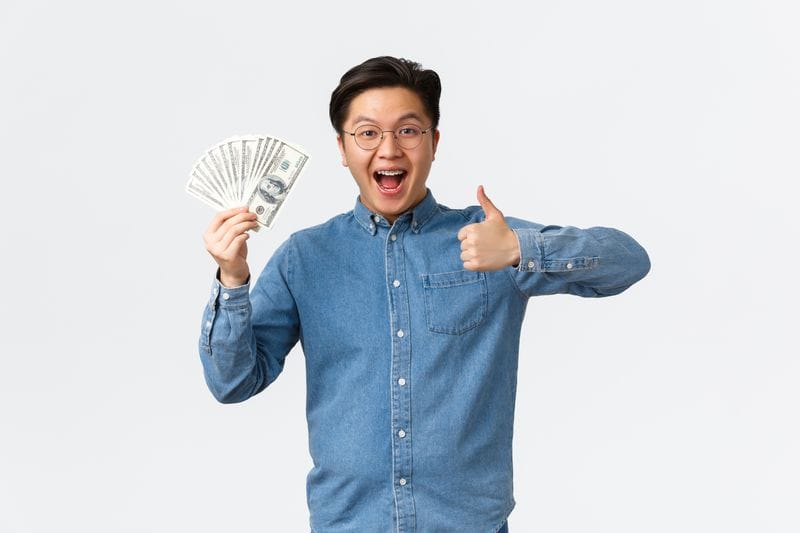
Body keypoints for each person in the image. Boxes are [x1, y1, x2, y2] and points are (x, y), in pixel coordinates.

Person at [199, 56, 650, 532]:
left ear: (434, 142)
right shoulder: (304, 257)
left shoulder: (487, 240)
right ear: (342, 147)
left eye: (408, 131)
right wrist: (232, 280)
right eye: (368, 133)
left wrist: (521, 248)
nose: (388, 150)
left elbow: (629, 261)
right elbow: (232, 383)